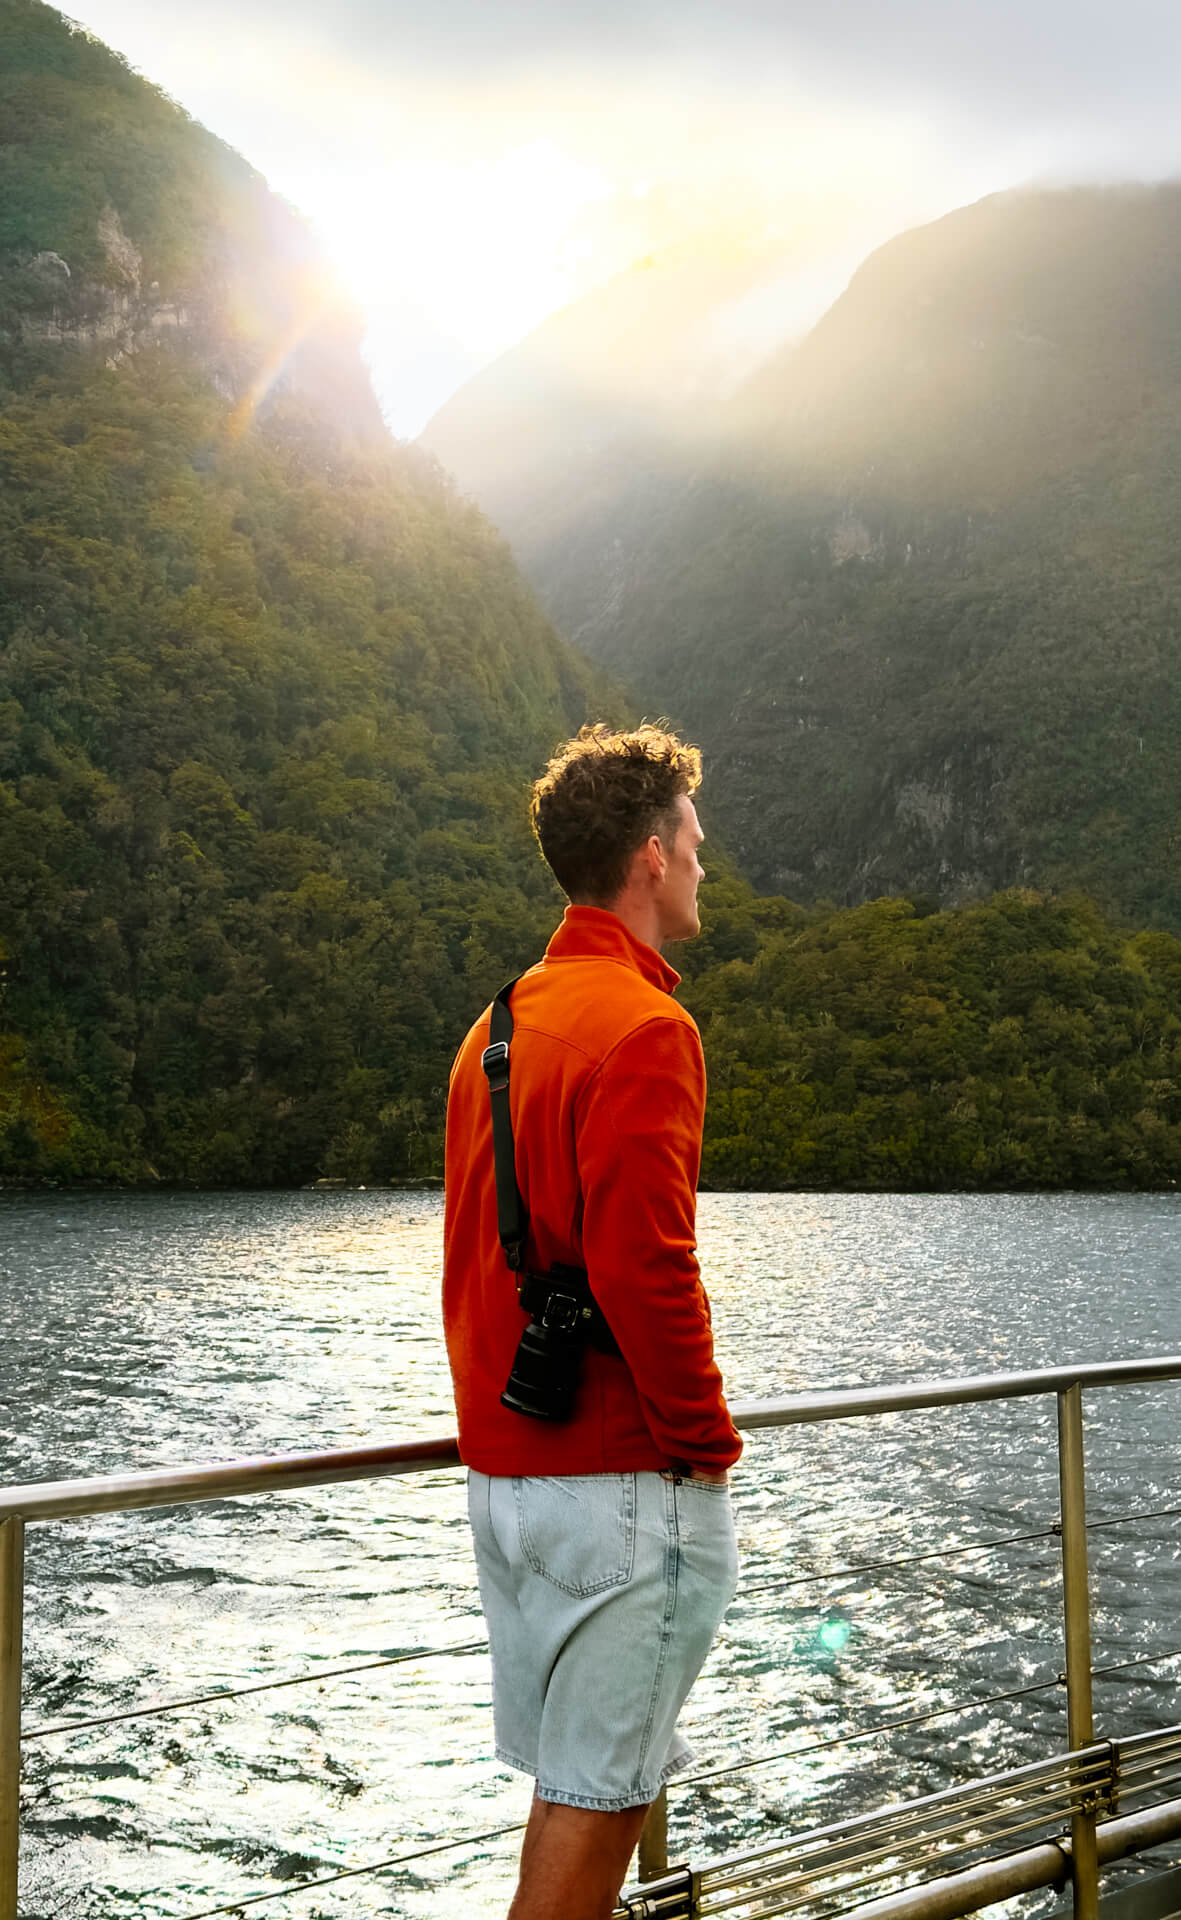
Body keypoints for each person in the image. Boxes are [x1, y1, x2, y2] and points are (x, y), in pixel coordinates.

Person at [443, 721, 742, 1920]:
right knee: (601, 1800)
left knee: (569, 1795)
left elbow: (470, 1262)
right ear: (649, 861)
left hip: (508, 1476)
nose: (705, 864)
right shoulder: (647, 1029)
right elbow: (645, 1267)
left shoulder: (496, 1029)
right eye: (694, 842)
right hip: (624, 1478)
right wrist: (705, 1448)